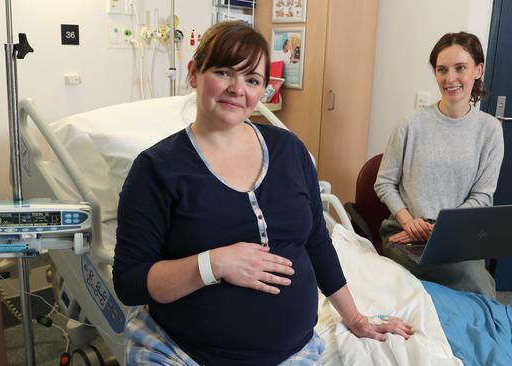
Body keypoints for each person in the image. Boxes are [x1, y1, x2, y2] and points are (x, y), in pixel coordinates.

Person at [113, 21, 413, 366]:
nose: (238, 90)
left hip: (294, 353)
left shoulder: (291, 151)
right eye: (224, 72)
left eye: (252, 80)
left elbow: (316, 240)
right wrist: (214, 264)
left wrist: (356, 319)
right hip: (185, 354)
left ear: (263, 90)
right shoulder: (156, 169)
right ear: (194, 73)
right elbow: (130, 282)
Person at [374, 32, 504, 299]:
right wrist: (408, 221)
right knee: (473, 280)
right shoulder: (411, 123)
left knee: (469, 277)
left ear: (478, 70)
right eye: (442, 70)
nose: (450, 78)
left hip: (456, 237)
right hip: (404, 233)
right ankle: (491, 333)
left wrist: (444, 229)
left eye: (460, 68)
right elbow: (384, 182)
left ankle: (475, 334)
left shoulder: (490, 130)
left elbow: (482, 196)